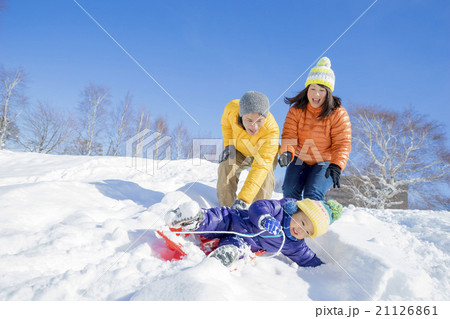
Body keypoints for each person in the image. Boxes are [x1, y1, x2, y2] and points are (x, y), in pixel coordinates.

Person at [165, 198, 343, 268]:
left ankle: (227, 255)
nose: (301, 230)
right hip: (235, 220)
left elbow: (306, 257)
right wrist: (265, 218)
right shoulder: (279, 210)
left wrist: (325, 268)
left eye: (307, 232)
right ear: (295, 210)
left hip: (245, 242)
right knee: (218, 218)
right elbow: (259, 206)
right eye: (303, 222)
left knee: (238, 246)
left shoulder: (293, 244)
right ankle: (195, 219)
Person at [279, 57, 351, 201]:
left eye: (321, 90)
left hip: (324, 161)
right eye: (312, 89)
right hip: (300, 157)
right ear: (307, 90)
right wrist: (287, 151)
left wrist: (336, 165)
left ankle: (312, 221)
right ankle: (291, 222)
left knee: (313, 193)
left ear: (328, 93)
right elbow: (289, 134)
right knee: (289, 191)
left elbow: (342, 143)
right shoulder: (296, 110)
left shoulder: (338, 113)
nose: (316, 94)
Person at [217, 91, 279, 210]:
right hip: (240, 150)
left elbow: (260, 167)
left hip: (262, 155)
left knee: (265, 175)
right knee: (226, 165)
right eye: (249, 120)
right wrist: (229, 145)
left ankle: (259, 211)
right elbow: (226, 125)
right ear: (241, 115)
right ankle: (227, 210)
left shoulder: (271, 130)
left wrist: (243, 199)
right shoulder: (231, 109)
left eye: (259, 121)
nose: (254, 126)